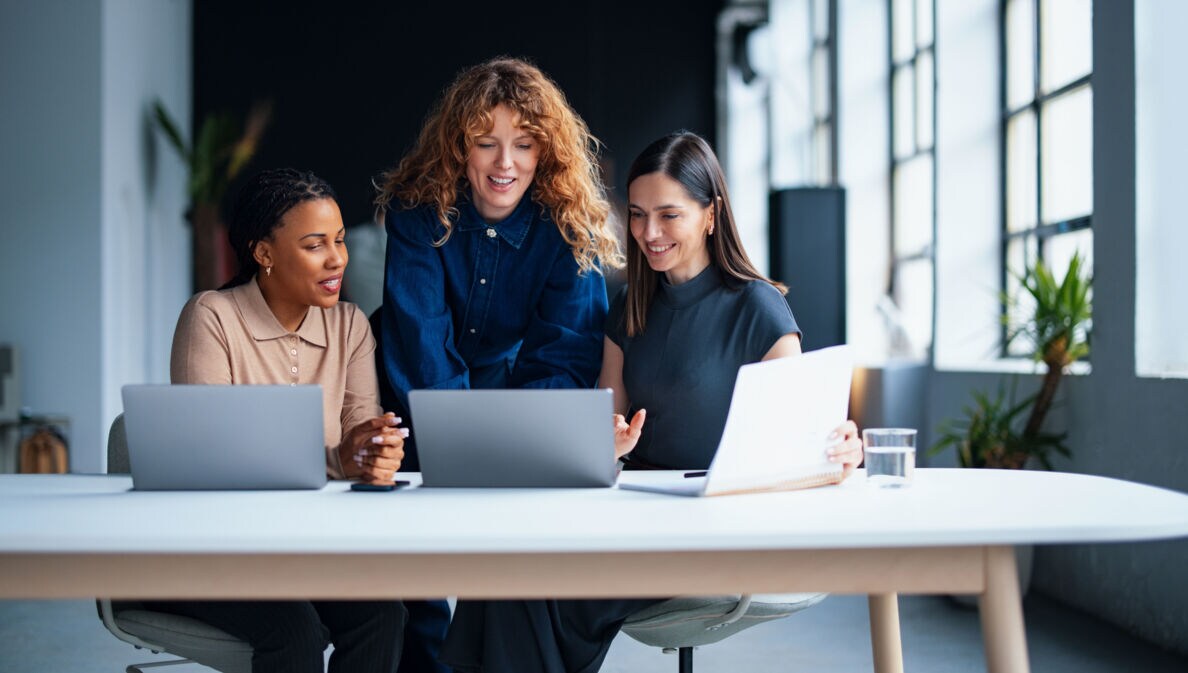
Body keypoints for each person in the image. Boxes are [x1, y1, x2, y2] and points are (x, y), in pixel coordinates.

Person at [437, 132, 864, 673]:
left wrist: (838, 450)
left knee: (539, 583)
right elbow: (604, 433)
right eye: (638, 215)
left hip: (712, 526)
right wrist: (607, 445)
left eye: (669, 215)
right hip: (633, 512)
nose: (649, 233)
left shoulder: (758, 308)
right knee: (507, 556)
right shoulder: (629, 307)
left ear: (711, 215)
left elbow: (799, 443)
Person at [374, 57, 624, 673]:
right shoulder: (417, 210)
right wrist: (462, 444)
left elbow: (564, 352)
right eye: (485, 143)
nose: (504, 163)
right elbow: (421, 340)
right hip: (406, 383)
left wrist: (517, 444)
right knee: (412, 568)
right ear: (459, 148)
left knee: (509, 541)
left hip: (509, 388)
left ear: (546, 152)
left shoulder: (568, 224)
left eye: (524, 144)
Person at [155, 168, 408, 673]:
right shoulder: (211, 316)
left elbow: (360, 434)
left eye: (339, 240)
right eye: (314, 245)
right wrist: (338, 460)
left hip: (306, 547)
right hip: (210, 548)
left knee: (384, 615)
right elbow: (212, 457)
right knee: (295, 633)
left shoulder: (350, 326)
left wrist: (376, 453)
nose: (337, 258)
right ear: (263, 253)